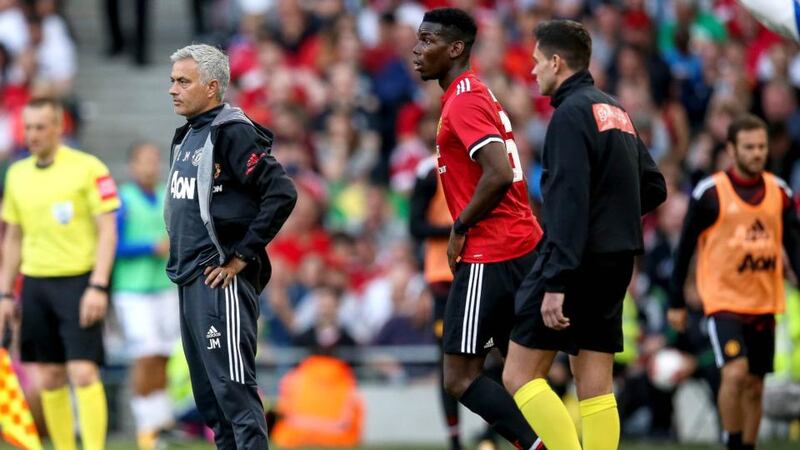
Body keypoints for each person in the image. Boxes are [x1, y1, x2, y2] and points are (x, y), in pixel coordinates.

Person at [502, 20, 667, 450]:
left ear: (557, 62)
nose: (532, 71)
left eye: (537, 62)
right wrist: (613, 222)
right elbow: (654, 186)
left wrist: (556, 279)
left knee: (518, 374)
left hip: (573, 261)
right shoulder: (614, 110)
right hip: (615, 263)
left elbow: (568, 202)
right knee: (595, 384)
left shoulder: (569, 116)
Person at [412, 8, 545, 450]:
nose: (417, 49)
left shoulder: (465, 99)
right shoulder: (474, 93)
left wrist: (459, 227)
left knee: (459, 376)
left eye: (428, 40)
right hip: (519, 243)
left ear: (455, 49)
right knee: (519, 371)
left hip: (492, 252)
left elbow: (499, 173)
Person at [165, 44, 297, 449]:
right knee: (213, 403)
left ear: (212, 86)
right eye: (172, 81)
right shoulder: (188, 134)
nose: (173, 90)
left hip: (219, 280)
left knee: (236, 392)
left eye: (183, 81)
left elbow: (281, 192)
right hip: (190, 278)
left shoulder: (232, 131)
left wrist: (242, 255)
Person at [668, 113, 800, 450]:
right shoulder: (711, 193)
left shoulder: (780, 193)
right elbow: (683, 249)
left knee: (756, 384)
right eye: (749, 147)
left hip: (764, 301)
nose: (757, 153)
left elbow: (795, 247)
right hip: (724, 301)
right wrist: (677, 301)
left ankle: (747, 446)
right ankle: (733, 441)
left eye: (762, 147)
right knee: (735, 373)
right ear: (732, 149)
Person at [0, 98, 119, 450]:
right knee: (50, 377)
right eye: (28, 127)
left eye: (40, 127)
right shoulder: (17, 173)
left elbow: (108, 231)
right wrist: (6, 293)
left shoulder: (88, 167)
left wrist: (98, 285)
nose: (32, 135)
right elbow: (14, 237)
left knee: (83, 371)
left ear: (59, 127)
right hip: (36, 283)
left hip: (80, 281)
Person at [112, 142, 178, 450]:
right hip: (133, 291)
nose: (150, 166)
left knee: (164, 354)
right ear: (132, 166)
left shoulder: (167, 193)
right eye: (144, 161)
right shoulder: (123, 199)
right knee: (145, 355)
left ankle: (163, 422)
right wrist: (149, 248)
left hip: (164, 286)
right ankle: (145, 428)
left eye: (154, 161)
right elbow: (114, 246)